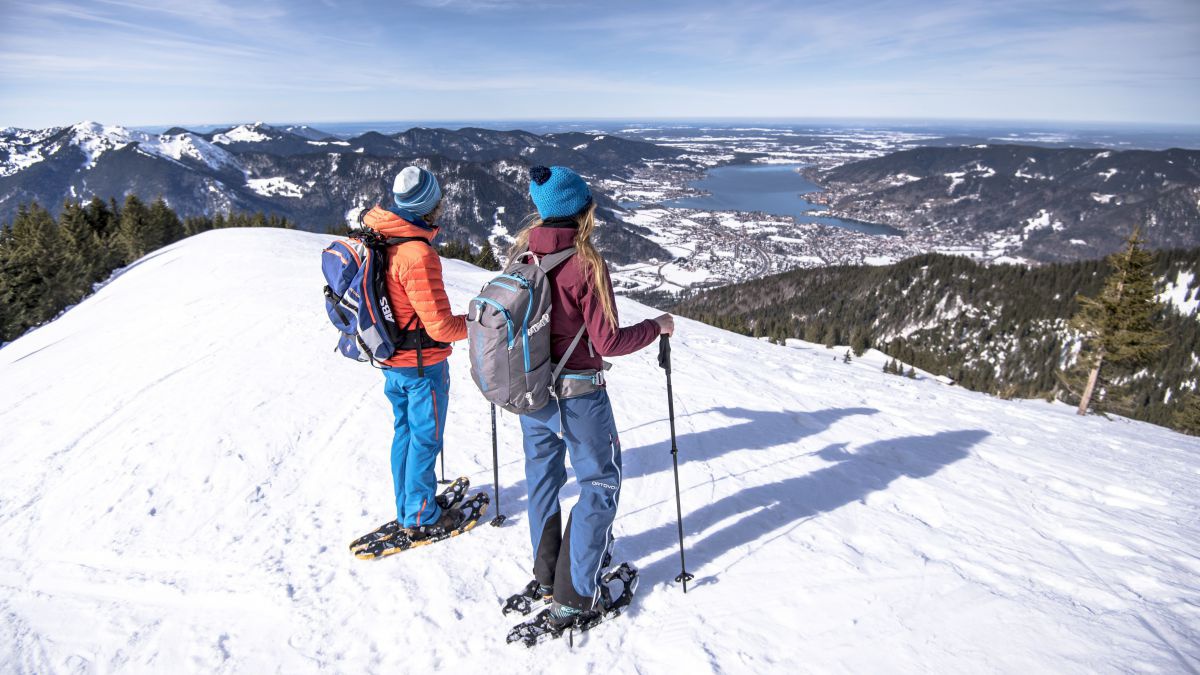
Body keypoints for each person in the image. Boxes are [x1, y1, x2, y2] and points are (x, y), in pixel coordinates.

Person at [510, 165, 673, 625]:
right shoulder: (585, 263)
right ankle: (576, 595)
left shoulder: (522, 258)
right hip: (579, 398)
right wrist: (656, 326)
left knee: (543, 479)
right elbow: (608, 343)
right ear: (582, 212)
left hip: (532, 396)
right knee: (599, 484)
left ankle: (546, 576)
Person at [362, 165, 468, 538]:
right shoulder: (417, 255)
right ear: (429, 206)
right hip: (422, 366)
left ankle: (409, 503)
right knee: (425, 437)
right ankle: (421, 514)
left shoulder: (381, 236)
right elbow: (439, 326)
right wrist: (476, 324)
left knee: (406, 433)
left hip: (392, 359)